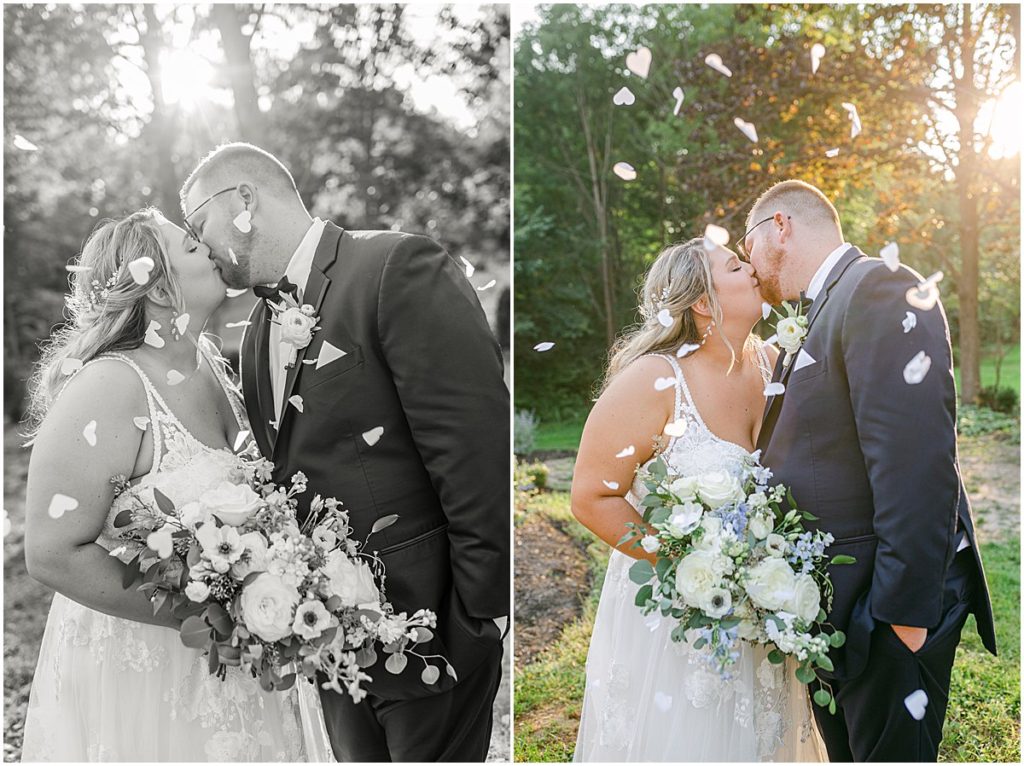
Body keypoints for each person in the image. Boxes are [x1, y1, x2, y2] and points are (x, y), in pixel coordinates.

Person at [180, 142, 510, 762]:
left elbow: (475, 448)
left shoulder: (395, 267)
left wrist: (479, 615)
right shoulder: (255, 334)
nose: (199, 246)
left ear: (244, 199)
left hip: (433, 626)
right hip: (330, 643)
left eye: (199, 225)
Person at [21, 209, 319, 761]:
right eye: (192, 245)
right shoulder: (109, 385)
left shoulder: (210, 367)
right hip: (152, 673)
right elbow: (50, 551)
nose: (212, 246)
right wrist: (208, 613)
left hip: (238, 659)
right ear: (159, 288)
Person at [747, 179, 996, 761]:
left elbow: (918, 461)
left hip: (885, 614)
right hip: (842, 611)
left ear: (780, 226)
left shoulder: (880, 288)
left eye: (747, 244)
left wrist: (902, 620)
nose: (748, 263)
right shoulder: (821, 307)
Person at [571, 237, 825, 761]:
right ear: (704, 302)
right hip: (679, 619)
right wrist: (691, 566)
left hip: (763, 610)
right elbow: (592, 496)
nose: (752, 269)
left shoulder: (774, 363)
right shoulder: (654, 380)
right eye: (735, 266)